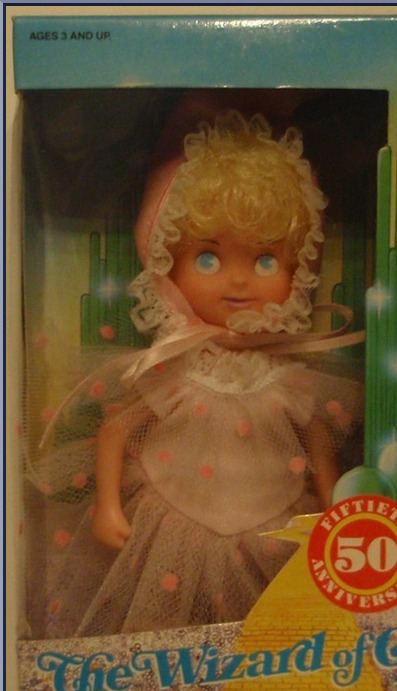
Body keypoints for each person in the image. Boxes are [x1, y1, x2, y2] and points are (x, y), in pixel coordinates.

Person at [37, 111, 357, 638]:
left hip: (274, 527)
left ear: (300, 269)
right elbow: (116, 428)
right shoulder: (173, 368)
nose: (238, 281)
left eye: (265, 261)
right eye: (208, 259)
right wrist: (108, 506)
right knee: (161, 633)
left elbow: (318, 441)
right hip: (172, 525)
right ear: (166, 264)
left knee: (269, 635)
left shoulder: (288, 375)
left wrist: (331, 510)